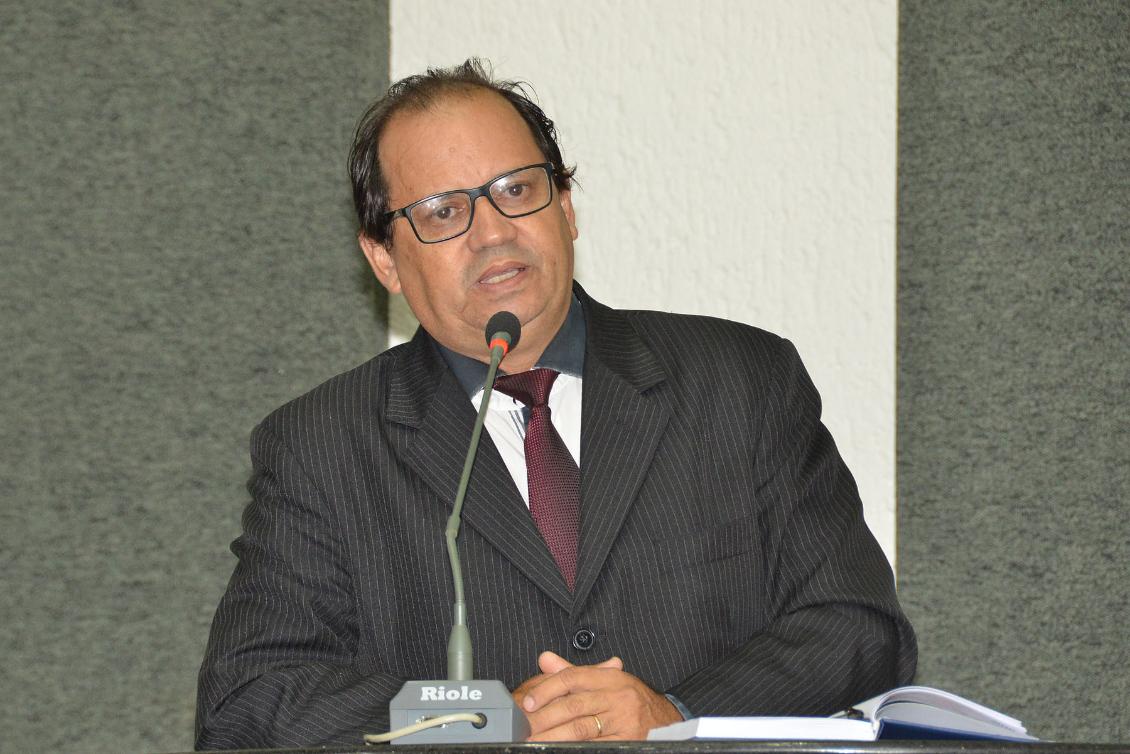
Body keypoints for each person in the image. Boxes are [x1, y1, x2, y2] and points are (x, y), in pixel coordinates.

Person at [195, 59, 916, 750]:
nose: (492, 231)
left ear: (565, 207)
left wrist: (678, 715)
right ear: (385, 259)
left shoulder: (740, 381)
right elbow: (251, 700)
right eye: (443, 212)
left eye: (516, 189)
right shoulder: (321, 444)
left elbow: (858, 627)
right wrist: (481, 724)